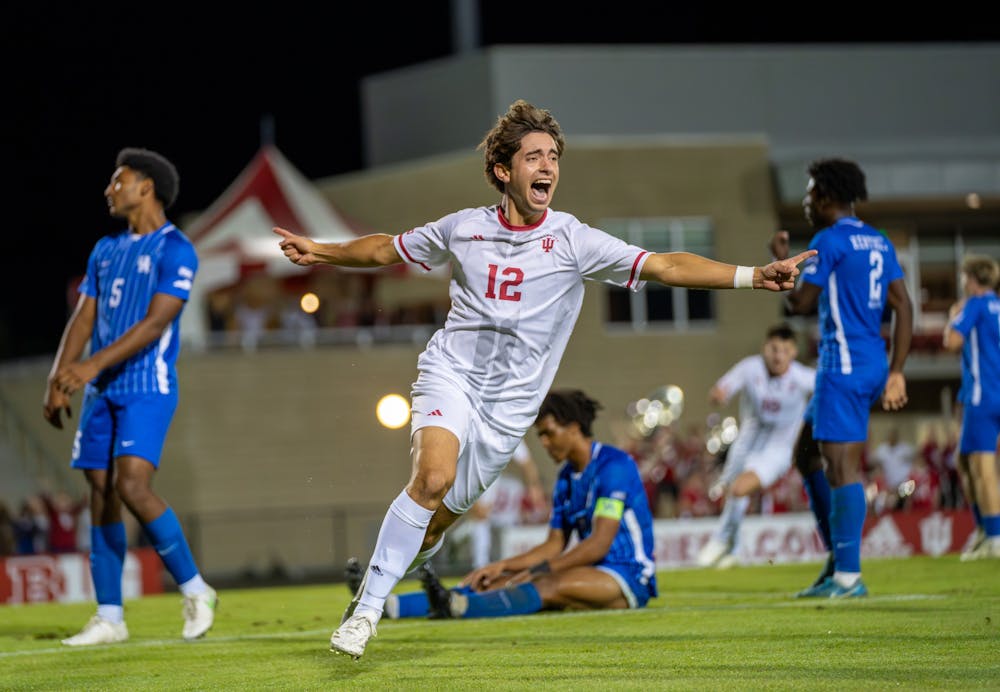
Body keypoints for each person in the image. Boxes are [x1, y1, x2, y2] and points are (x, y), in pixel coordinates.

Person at [274, 99, 815, 658]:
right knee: (431, 477)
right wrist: (322, 251)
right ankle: (365, 615)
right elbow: (387, 248)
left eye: (553, 156)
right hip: (451, 375)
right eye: (534, 156)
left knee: (433, 529)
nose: (548, 167)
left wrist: (755, 276)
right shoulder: (463, 228)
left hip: (508, 414)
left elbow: (664, 265)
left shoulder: (573, 240)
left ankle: (378, 586)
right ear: (504, 171)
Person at [42, 147, 217, 646]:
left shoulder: (177, 249)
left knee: (132, 485)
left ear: (146, 187)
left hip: (147, 385)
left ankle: (196, 589)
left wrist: (90, 364)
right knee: (99, 492)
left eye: (117, 181)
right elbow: (84, 318)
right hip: (102, 389)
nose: (108, 190)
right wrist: (58, 378)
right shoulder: (105, 250)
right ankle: (110, 616)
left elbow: (157, 321)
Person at [369, 389, 658, 620]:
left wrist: (539, 570)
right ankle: (389, 605)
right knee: (493, 582)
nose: (544, 443)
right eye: (540, 436)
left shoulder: (614, 466)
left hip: (628, 574)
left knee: (545, 584)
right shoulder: (568, 478)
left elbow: (599, 544)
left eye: (548, 432)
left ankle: (458, 608)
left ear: (573, 428)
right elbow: (553, 545)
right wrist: (502, 566)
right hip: (593, 571)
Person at [785, 157, 913, 598]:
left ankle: (848, 577)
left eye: (808, 192)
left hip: (842, 365)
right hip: (871, 361)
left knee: (841, 467)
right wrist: (895, 371)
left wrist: (780, 265)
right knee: (806, 454)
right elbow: (904, 306)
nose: (805, 200)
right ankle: (838, 560)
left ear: (824, 195)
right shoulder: (877, 241)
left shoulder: (830, 240)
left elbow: (800, 304)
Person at [696, 323, 816, 568]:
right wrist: (718, 396)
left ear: (793, 352)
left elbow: (832, 392)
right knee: (732, 494)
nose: (778, 355)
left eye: (785, 350)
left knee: (740, 489)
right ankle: (736, 551)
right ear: (765, 348)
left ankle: (719, 540)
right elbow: (720, 389)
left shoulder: (804, 377)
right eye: (774, 348)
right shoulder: (750, 368)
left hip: (779, 449)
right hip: (746, 443)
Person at [942, 254, 1000, 560]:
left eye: (965, 276)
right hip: (993, 393)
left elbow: (951, 341)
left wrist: (953, 315)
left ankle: (994, 537)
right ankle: (983, 529)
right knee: (963, 461)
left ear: (972, 279)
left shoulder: (975, 304)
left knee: (983, 467)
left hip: (983, 396)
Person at [463, 438, 547, 570]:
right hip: (462, 474)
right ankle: (479, 566)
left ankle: (480, 567)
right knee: (478, 516)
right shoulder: (474, 428)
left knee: (481, 516)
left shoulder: (508, 429)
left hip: (486, 476)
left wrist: (534, 487)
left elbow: (527, 463)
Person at [867, 427, 916, 511]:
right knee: (884, 497)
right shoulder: (882, 449)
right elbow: (871, 461)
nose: (892, 438)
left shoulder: (905, 448)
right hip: (888, 484)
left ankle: (907, 513)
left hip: (903, 483)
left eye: (894, 436)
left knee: (907, 492)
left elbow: (916, 456)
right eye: (890, 436)